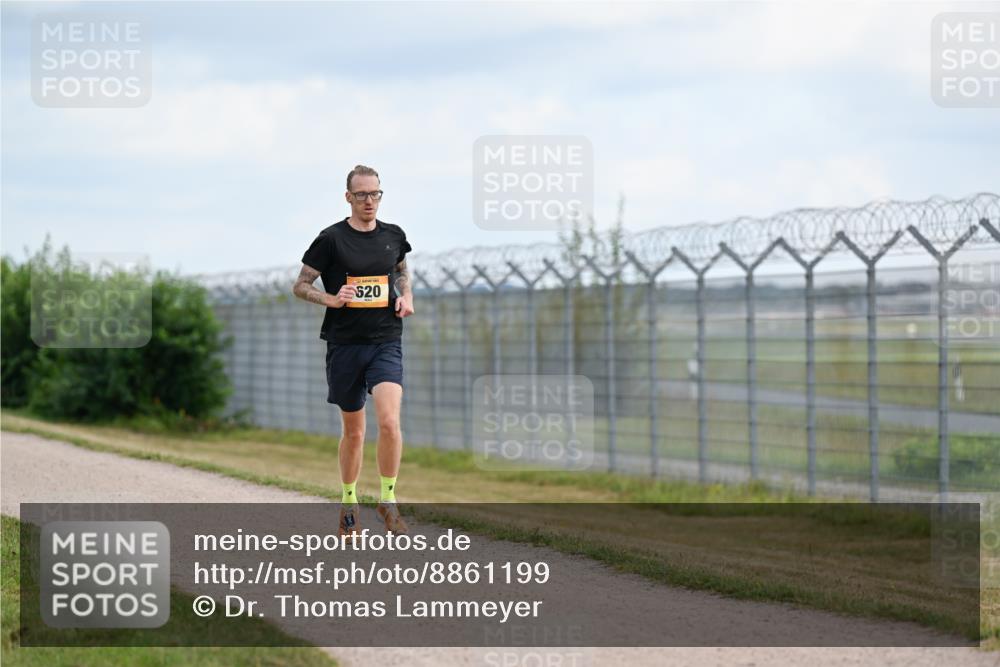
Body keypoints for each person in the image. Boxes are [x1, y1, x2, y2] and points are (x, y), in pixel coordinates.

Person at [292, 164, 414, 537]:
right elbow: (300, 285)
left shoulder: (393, 235)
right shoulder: (331, 239)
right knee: (356, 432)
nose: (369, 201)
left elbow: (401, 271)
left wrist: (406, 294)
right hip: (345, 345)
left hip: (385, 341)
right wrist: (332, 298)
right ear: (348, 197)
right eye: (361, 194)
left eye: (375, 194)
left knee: (390, 422)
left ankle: (388, 501)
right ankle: (349, 502)